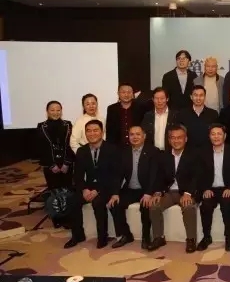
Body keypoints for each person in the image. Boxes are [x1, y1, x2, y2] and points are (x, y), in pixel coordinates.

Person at [65, 120, 121, 249]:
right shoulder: (82, 151)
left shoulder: (112, 149)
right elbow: (78, 175)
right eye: (88, 131)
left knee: (98, 202)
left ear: (102, 132)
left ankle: (103, 237)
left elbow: (115, 175)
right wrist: (84, 189)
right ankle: (78, 235)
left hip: (106, 187)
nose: (92, 133)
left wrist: (97, 190)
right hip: (88, 187)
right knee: (72, 200)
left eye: (95, 130)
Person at [148, 125, 199, 253]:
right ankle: (159, 237)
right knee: (154, 205)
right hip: (169, 192)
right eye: (173, 138)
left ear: (185, 139)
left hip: (186, 192)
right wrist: (157, 192)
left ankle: (191, 239)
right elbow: (159, 176)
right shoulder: (164, 156)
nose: (176, 141)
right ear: (169, 140)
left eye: (179, 137)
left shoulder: (194, 155)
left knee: (188, 207)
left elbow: (197, 177)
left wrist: (188, 193)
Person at [108, 125, 159, 249]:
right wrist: (115, 193)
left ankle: (146, 237)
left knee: (146, 206)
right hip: (130, 189)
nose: (134, 137)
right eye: (132, 134)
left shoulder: (153, 151)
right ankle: (126, 235)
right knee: (114, 204)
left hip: (146, 189)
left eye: (138, 134)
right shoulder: (123, 151)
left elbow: (154, 175)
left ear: (144, 136)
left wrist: (149, 193)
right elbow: (118, 174)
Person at [197, 124, 230, 251]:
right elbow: (199, 174)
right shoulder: (203, 152)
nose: (216, 137)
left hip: (226, 188)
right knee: (205, 206)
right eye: (213, 134)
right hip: (210, 189)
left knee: (227, 204)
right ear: (209, 136)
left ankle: (228, 237)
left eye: (219, 134)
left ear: (225, 136)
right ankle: (206, 237)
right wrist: (205, 189)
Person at [36, 101, 73, 191]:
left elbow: (71, 144)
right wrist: (51, 165)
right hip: (50, 163)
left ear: (61, 111)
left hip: (66, 163)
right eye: (52, 110)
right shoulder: (41, 126)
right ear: (47, 111)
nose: (55, 112)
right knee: (53, 190)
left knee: (67, 190)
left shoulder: (68, 124)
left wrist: (66, 163)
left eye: (58, 110)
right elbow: (41, 148)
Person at [141, 87, 179, 151]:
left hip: (170, 152)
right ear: (152, 99)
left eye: (162, 98)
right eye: (156, 98)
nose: (159, 101)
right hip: (152, 152)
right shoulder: (147, 116)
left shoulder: (175, 115)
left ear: (167, 99)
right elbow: (143, 134)